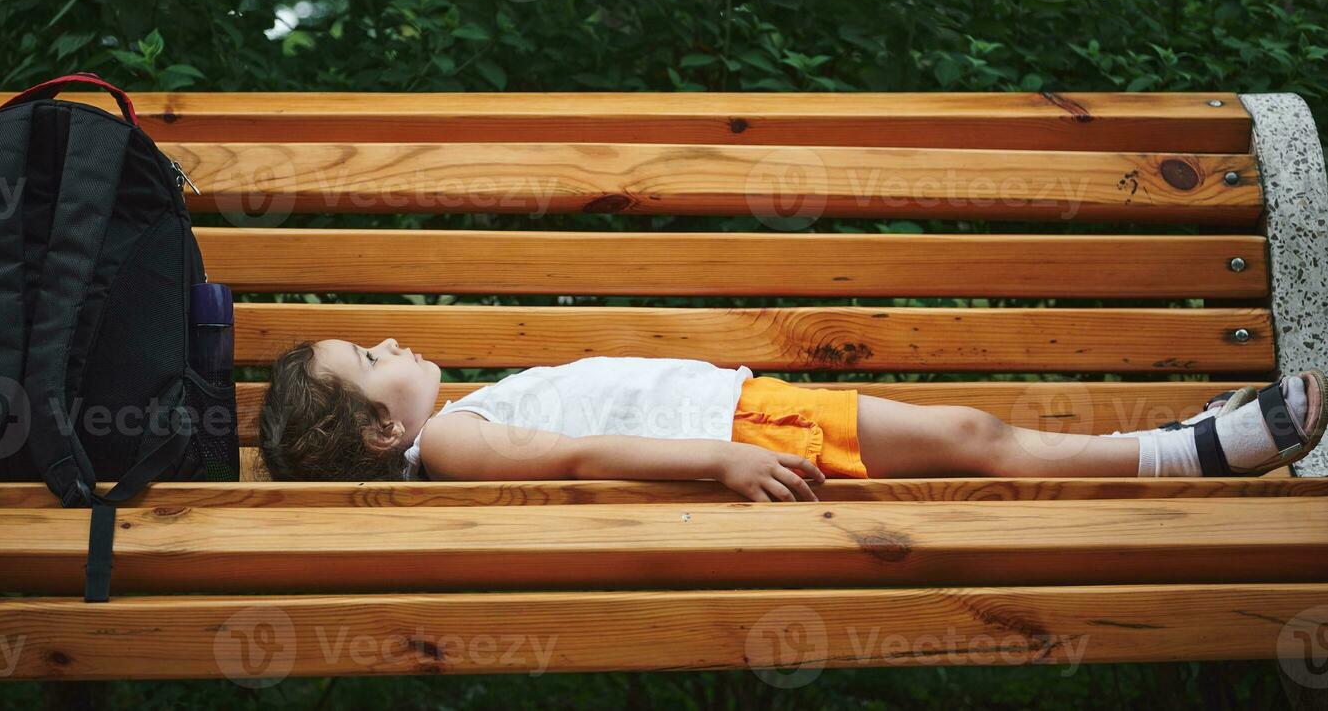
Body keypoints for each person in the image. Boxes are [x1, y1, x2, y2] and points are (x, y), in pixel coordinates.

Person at [257, 338, 1326, 501]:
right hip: (744, 427)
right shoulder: (449, 439)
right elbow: (578, 449)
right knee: (969, 441)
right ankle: (1188, 451)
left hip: (745, 412)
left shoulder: (451, 420)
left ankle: (1182, 443)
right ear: (379, 432)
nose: (396, 341)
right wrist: (727, 457)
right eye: (373, 357)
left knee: (967, 439)